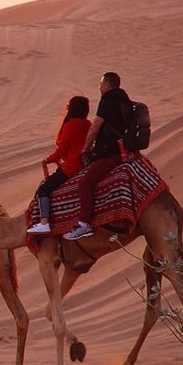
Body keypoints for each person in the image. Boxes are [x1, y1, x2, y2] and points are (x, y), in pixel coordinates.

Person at [63, 72, 130, 240]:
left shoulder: (107, 101)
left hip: (110, 154)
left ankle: (84, 224)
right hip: (124, 152)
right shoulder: (125, 101)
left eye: (100, 85)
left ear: (107, 85)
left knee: (84, 184)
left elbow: (95, 127)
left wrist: (85, 149)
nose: (99, 88)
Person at [27, 96, 92, 234]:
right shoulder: (88, 124)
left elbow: (62, 150)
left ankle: (44, 223)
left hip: (72, 167)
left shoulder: (70, 125)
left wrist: (48, 159)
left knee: (44, 189)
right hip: (85, 165)